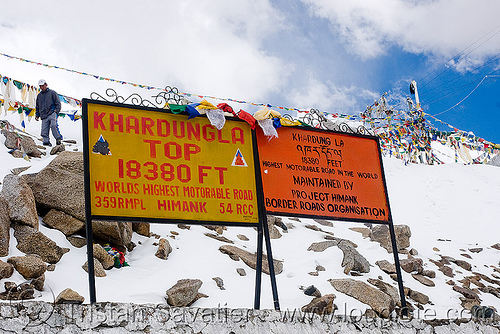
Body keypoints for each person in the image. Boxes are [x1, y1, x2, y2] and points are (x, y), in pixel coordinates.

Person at [35, 79, 63, 146]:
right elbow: (37, 106)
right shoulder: (39, 96)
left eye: (42, 85)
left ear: (46, 85)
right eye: (40, 86)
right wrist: (37, 115)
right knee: (44, 129)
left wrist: (56, 111)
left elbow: (58, 103)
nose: (41, 87)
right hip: (43, 115)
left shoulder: (52, 93)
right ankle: (46, 142)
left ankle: (58, 138)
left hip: (52, 112)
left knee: (53, 125)